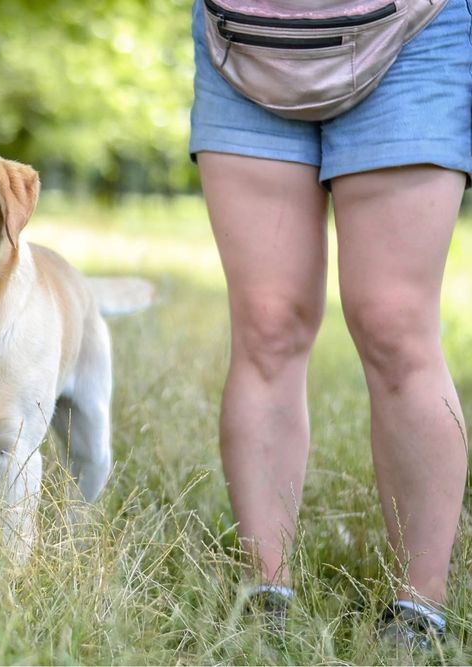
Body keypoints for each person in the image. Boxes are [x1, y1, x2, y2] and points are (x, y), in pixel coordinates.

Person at [189, 0, 471, 647]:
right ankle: (265, 600)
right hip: (241, 37)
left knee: (394, 324)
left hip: (413, 31)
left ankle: (417, 613)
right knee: (266, 323)